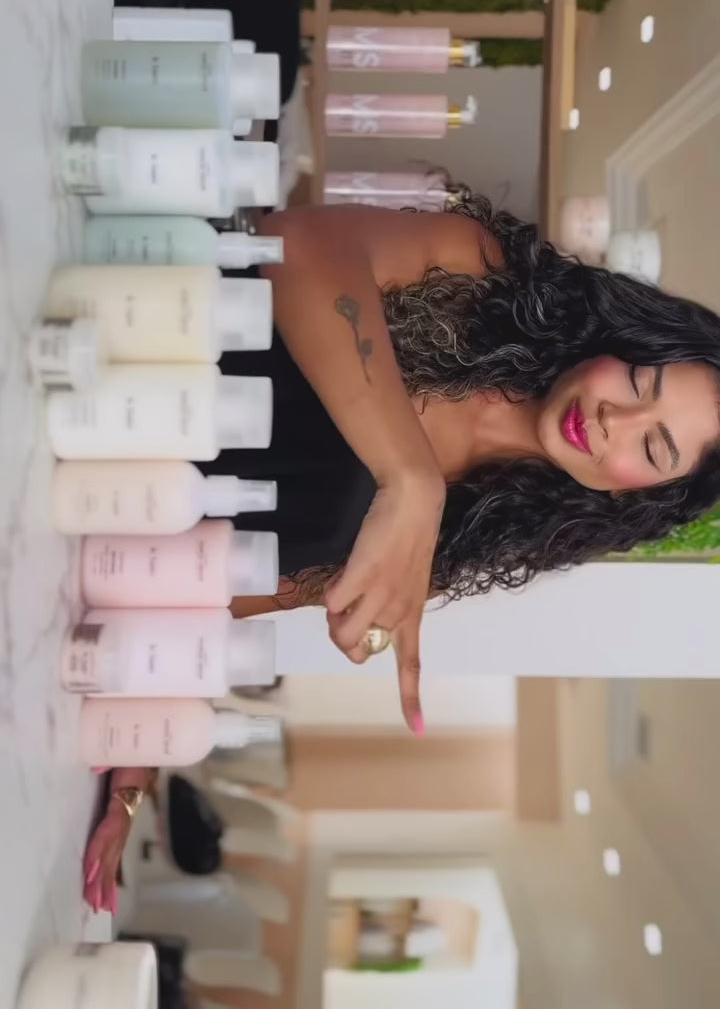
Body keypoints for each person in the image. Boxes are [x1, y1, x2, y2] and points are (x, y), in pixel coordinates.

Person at [84, 194, 720, 909]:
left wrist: (136, 766)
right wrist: (410, 478)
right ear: (622, 342)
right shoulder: (478, 273)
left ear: (638, 497)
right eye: (639, 380)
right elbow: (298, 241)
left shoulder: (469, 538)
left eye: (652, 446)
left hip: (94, 503)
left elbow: (216, 595)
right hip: (102, 335)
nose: (614, 417)